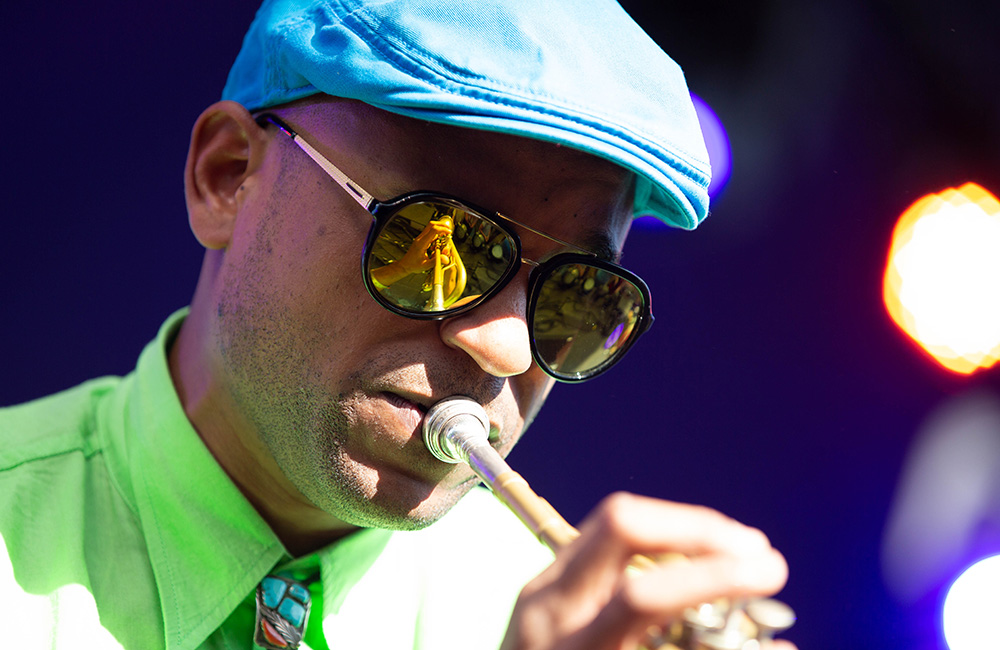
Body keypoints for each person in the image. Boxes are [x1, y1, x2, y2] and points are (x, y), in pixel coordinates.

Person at [0, 0, 792, 648]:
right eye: (433, 237)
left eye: (578, 296)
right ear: (228, 177)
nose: (507, 348)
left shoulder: (560, 616)